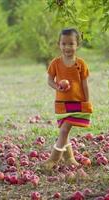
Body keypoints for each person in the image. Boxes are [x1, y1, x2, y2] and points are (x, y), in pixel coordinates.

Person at [40, 28, 93, 172]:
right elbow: (50, 80)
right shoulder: (56, 63)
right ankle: (70, 158)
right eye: (64, 44)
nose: (67, 47)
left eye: (71, 44)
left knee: (64, 131)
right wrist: (57, 86)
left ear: (77, 45)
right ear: (59, 44)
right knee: (65, 131)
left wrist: (86, 102)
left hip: (77, 102)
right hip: (62, 104)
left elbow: (84, 84)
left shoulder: (81, 64)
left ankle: (54, 158)